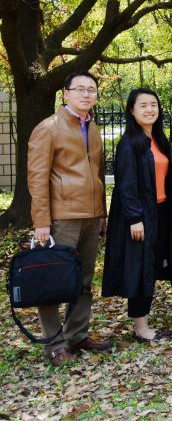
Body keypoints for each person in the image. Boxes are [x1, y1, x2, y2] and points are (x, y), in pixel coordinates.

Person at [28, 72, 110, 364]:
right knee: (53, 280)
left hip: (91, 215)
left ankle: (77, 335)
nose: (87, 94)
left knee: (84, 280)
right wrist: (41, 221)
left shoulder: (95, 128)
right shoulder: (48, 128)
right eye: (80, 89)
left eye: (92, 90)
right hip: (62, 217)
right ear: (65, 93)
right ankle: (55, 343)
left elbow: (98, 175)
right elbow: (37, 179)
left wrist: (102, 212)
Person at [103, 88, 172, 342]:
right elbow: (126, 185)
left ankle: (143, 321)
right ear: (131, 110)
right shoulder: (129, 143)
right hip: (140, 216)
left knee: (152, 264)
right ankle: (140, 327)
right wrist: (134, 218)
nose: (150, 110)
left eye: (153, 104)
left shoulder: (159, 139)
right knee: (139, 268)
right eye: (143, 105)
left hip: (161, 211)